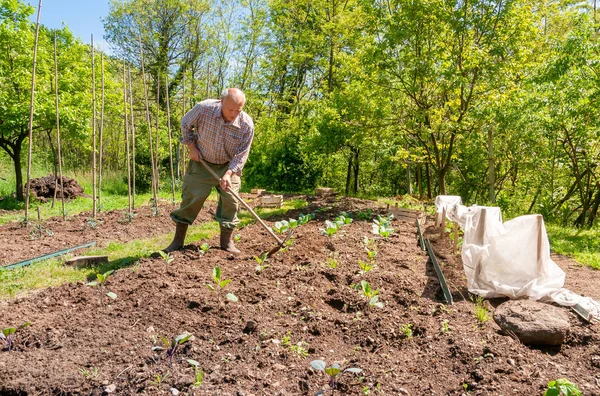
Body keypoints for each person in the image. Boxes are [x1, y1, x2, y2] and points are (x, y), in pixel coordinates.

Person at [163, 88, 254, 254]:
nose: (234, 114)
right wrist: (191, 146)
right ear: (221, 103)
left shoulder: (246, 124)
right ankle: (177, 241)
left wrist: (228, 174)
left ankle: (227, 243)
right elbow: (185, 123)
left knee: (231, 202)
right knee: (192, 198)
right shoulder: (204, 108)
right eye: (230, 109)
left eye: (238, 110)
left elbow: (242, 154)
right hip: (202, 162)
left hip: (228, 166)